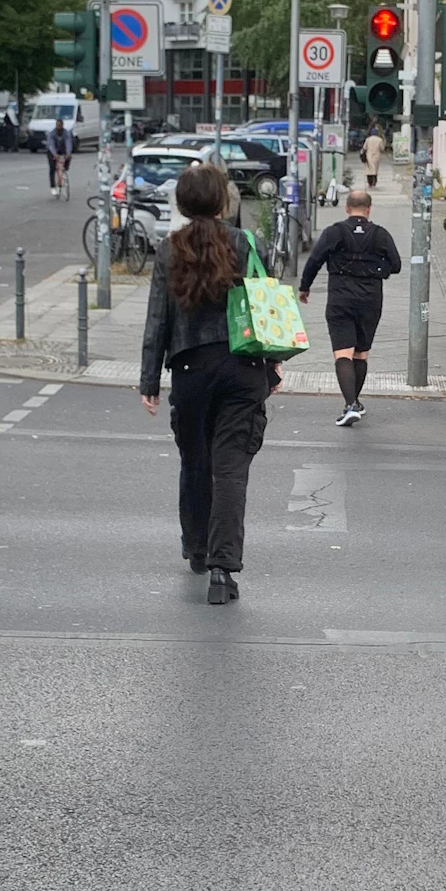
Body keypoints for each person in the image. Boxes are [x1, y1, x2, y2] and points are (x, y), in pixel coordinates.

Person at [140, 162, 273, 604]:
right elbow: (265, 305)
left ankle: (197, 549)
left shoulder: (168, 249)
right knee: (231, 468)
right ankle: (223, 570)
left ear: (181, 202)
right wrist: (271, 366)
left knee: (195, 462)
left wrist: (149, 380)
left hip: (190, 370)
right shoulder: (244, 242)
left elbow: (157, 317)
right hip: (241, 368)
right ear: (222, 201)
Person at [298, 185, 402, 429]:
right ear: (369, 209)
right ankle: (354, 402)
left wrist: (304, 287)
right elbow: (395, 265)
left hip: (340, 298)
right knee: (361, 353)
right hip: (370, 299)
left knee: (343, 352)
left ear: (347, 209)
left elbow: (314, 260)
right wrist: (377, 271)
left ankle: (351, 405)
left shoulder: (334, 232)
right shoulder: (380, 234)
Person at [47, 114, 72, 197]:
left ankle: (65, 168)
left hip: (62, 149)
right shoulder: (52, 134)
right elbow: (51, 145)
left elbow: (68, 143)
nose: (58, 127)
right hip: (52, 151)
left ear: (62, 126)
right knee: (52, 168)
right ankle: (53, 186)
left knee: (69, 156)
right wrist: (55, 154)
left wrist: (68, 153)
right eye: (57, 126)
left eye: (60, 125)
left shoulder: (66, 133)